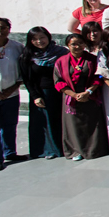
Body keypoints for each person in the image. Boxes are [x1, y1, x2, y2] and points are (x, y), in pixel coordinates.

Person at [53, 33, 108, 160]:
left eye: (80, 43)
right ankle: (75, 151)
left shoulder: (92, 59)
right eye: (73, 44)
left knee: (92, 124)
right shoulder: (61, 62)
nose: (77, 46)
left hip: (90, 96)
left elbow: (99, 77)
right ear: (67, 45)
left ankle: (94, 150)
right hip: (71, 98)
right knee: (73, 127)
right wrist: (74, 95)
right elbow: (58, 81)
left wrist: (88, 92)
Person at [18, 27, 67, 160]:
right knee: (44, 123)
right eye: (35, 39)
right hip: (42, 93)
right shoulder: (27, 56)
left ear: (48, 37)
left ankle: (65, 147)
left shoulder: (61, 52)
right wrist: (35, 96)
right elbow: (27, 79)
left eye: (42, 37)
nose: (39, 41)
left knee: (61, 120)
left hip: (61, 91)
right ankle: (48, 150)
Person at [0, 18, 24, 170]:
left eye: (3, 27)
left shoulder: (16, 47)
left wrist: (13, 88)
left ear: (9, 29)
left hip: (11, 93)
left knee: (10, 124)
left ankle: (10, 152)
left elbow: (23, 70)